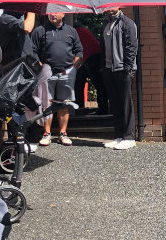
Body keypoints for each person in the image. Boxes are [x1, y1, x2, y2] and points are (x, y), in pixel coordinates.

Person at [30, 12, 83, 146]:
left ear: (63, 14)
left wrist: (74, 68)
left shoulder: (71, 31)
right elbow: (33, 50)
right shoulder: (40, 31)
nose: (53, 14)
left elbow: (79, 50)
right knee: (46, 104)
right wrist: (39, 65)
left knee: (63, 104)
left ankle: (63, 133)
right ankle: (46, 133)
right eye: (50, 12)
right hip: (47, 72)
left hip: (67, 72)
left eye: (56, 11)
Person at [100, 7, 138, 150]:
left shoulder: (127, 23)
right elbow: (102, 46)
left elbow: (132, 45)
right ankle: (119, 136)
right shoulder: (105, 23)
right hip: (109, 69)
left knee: (126, 103)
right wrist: (103, 67)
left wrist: (128, 67)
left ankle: (129, 137)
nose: (108, 8)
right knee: (115, 104)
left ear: (119, 6)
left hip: (123, 69)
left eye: (112, 5)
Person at [75, 24, 108, 114]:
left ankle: (102, 109)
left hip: (92, 57)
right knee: (79, 81)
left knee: (98, 84)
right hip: (94, 56)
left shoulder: (73, 32)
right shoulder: (83, 30)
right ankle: (81, 106)